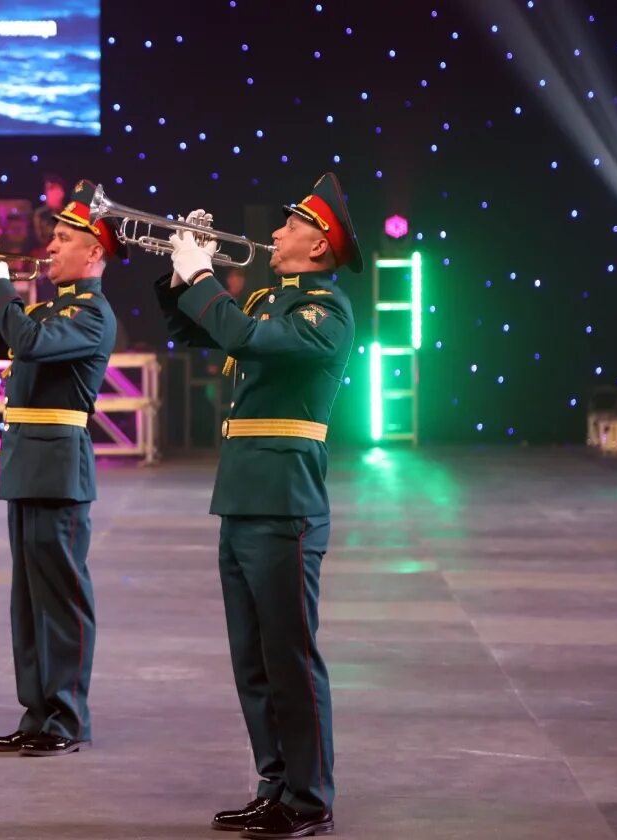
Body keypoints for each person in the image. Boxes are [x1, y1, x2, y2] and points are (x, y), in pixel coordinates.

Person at [153, 173, 361, 838]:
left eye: (290, 225)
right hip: (243, 497)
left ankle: (310, 797)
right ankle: (275, 784)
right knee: (253, 658)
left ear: (319, 245)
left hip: (284, 501)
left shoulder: (324, 314)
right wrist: (186, 276)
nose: (273, 232)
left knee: (290, 659)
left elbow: (245, 339)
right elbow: (203, 334)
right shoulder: (274, 299)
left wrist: (205, 280)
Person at [0, 179, 121, 757]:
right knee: (28, 599)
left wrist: (1, 286)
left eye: (62, 238)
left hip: (57, 464)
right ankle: (39, 711)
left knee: (61, 596)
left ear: (95, 251)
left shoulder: (92, 314)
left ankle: (68, 715)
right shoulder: (54, 307)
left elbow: (25, 339)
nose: (49, 247)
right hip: (28, 462)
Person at [31, 174, 68, 248]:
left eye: (52, 188)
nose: (48, 193)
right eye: (47, 189)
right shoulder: (39, 214)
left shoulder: (69, 214)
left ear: (61, 192)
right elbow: (38, 241)